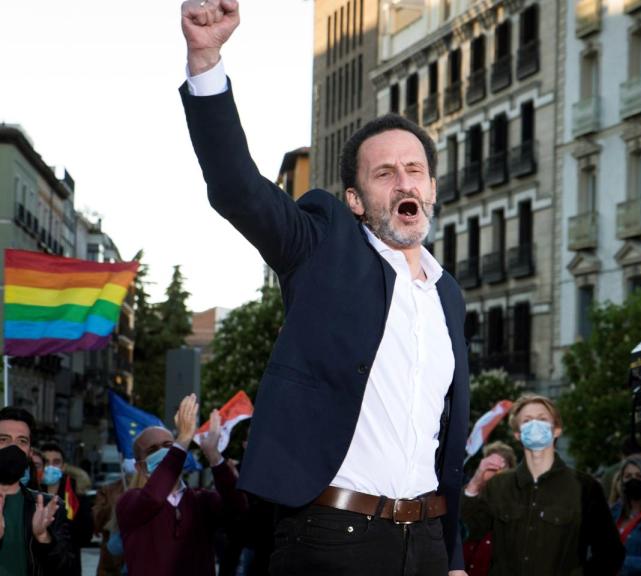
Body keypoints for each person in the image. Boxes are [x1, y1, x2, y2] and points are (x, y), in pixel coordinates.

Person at [178, 1, 471, 574]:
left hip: (427, 542)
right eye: (384, 174)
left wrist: (453, 555)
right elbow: (239, 188)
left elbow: (445, 440)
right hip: (331, 537)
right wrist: (206, 59)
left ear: (432, 188)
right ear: (356, 200)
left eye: (414, 170)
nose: (403, 181)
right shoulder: (322, 248)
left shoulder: (448, 295)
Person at [461, 394, 624, 575]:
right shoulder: (499, 485)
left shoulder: (584, 486)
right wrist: (474, 485)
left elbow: (610, 552)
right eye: (527, 420)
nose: (535, 425)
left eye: (542, 419)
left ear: (557, 430)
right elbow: (469, 532)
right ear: (517, 434)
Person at [115, 394, 246, 576]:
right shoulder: (129, 501)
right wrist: (183, 438)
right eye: (153, 450)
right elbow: (153, 498)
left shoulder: (202, 500)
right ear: (140, 467)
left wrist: (214, 455)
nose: (164, 453)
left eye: (169, 445)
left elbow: (239, 509)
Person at [0, 407, 74, 575]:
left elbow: (67, 569)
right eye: (3, 439)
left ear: (30, 453)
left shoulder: (49, 507)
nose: (13, 448)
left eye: (22, 441)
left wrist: (44, 538)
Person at [462, 442, 516, 576]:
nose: (496, 473)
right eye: (491, 467)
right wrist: (475, 483)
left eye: (502, 468)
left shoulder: (517, 501)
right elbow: (461, 526)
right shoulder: (471, 496)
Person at [39, 443, 93, 576]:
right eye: (46, 462)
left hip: (68, 568)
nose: (50, 466)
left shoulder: (77, 494)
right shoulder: (30, 492)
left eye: (56, 462)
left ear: (63, 467)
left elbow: (86, 537)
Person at [607, 456, 641, 576]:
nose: (633, 480)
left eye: (639, 476)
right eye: (628, 476)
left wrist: (622, 563)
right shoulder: (611, 513)